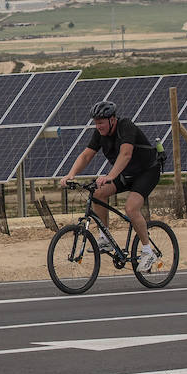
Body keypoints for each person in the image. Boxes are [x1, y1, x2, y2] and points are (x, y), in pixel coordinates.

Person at [61, 100, 161, 271]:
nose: (98, 126)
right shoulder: (99, 134)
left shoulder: (125, 126)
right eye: (96, 122)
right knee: (98, 193)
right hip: (126, 174)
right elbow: (86, 156)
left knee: (131, 208)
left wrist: (110, 176)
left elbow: (126, 154)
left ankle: (147, 251)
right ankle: (105, 239)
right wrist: (71, 174)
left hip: (147, 172)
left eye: (101, 122)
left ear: (112, 119)